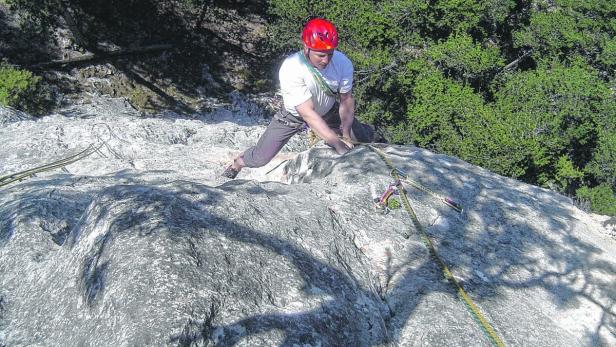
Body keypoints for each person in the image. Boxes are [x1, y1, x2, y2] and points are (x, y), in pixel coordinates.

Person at [222, 17, 375, 179]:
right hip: (292, 116)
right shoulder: (292, 67)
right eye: (320, 55)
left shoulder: (342, 62)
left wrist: (345, 134)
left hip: (327, 110)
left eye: (330, 54)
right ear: (306, 48)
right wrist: (336, 143)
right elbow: (307, 113)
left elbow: (346, 100)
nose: (326, 60)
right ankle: (238, 163)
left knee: (361, 137)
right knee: (260, 158)